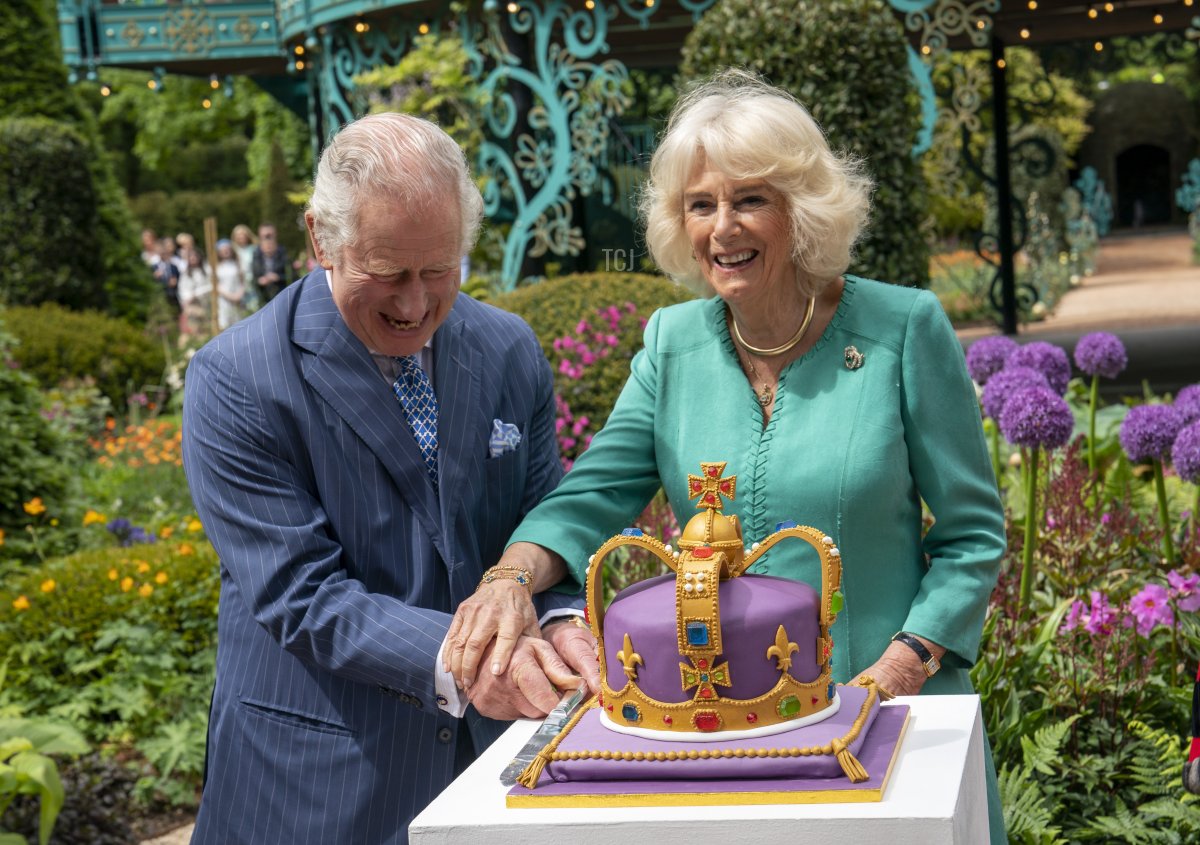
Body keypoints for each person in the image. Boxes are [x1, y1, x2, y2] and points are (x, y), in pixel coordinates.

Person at [445, 70, 1008, 842]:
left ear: (800, 208)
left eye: (749, 200)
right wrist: (509, 579)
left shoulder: (904, 329)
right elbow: (590, 497)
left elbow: (972, 534)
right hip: (726, 740)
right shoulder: (672, 347)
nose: (722, 228)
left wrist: (903, 663)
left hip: (890, 724)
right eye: (700, 205)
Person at [181, 112, 599, 845]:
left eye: (438, 271)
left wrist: (563, 620)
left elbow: (544, 521)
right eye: (387, 273)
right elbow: (302, 596)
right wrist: (472, 657)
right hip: (316, 786)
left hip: (494, 771)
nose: (414, 305)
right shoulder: (237, 378)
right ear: (320, 240)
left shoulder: (509, 350)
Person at [251, 222, 292, 302]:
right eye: (264, 236)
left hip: (282, 296)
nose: (267, 239)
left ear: (275, 234)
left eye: (269, 235)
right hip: (263, 298)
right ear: (259, 236)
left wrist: (278, 277)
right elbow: (253, 280)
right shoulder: (256, 255)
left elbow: (291, 277)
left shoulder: (283, 254)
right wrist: (260, 281)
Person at [177, 246, 212, 338]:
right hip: (192, 306)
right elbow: (182, 289)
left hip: (206, 303)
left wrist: (196, 294)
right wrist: (188, 298)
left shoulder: (207, 270)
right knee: (195, 330)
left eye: (195, 256)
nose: (192, 259)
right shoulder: (186, 273)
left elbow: (211, 286)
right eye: (190, 257)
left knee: (207, 328)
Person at [213, 239, 245, 330]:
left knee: (239, 324)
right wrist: (230, 296)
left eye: (227, 249)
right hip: (224, 301)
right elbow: (216, 285)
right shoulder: (216, 267)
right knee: (225, 326)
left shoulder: (238, 264)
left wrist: (239, 295)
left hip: (238, 300)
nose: (225, 251)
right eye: (222, 250)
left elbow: (242, 281)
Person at [230, 223, 260, 312]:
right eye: (238, 235)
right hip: (238, 283)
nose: (241, 237)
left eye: (243, 235)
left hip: (252, 281)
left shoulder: (255, 249)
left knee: (255, 307)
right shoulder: (233, 251)